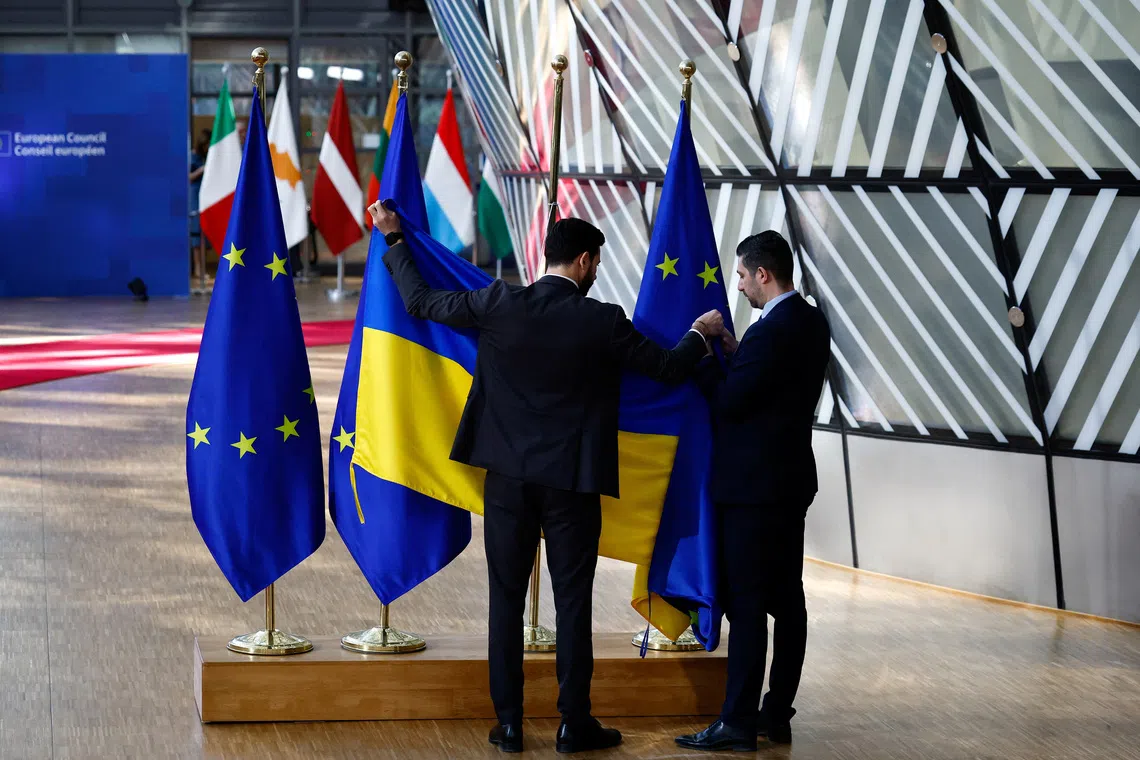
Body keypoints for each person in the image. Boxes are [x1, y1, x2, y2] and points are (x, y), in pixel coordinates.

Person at [370, 200, 723, 754]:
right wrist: (699, 334)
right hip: (572, 485)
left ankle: (509, 723)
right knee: (573, 603)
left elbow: (418, 302)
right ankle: (572, 723)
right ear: (583, 261)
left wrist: (395, 241)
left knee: (506, 601)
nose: (598, 272)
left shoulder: (497, 302)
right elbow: (667, 369)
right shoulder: (601, 319)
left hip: (507, 482)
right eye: (597, 263)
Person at [675, 231, 831, 752]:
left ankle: (737, 721)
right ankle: (775, 713)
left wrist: (699, 347)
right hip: (789, 485)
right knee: (788, 603)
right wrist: (739, 352)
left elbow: (729, 404)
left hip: (751, 492)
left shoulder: (771, 333)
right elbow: (775, 386)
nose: (738, 287)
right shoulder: (811, 321)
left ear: (763, 274)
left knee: (746, 606)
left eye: (741, 276)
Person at [189, 129, 210, 282]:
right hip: (194, 196)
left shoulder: (206, 156)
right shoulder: (192, 157)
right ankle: (197, 268)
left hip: (206, 195)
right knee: (197, 234)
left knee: (206, 233)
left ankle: (203, 267)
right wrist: (202, 169)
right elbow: (188, 178)